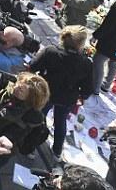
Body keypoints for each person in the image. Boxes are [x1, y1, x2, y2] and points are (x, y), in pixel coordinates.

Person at [29, 25, 94, 157]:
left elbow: (32, 66)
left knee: (38, 118)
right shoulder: (86, 63)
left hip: (46, 92)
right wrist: (82, 96)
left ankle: (30, 147)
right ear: (81, 44)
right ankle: (57, 151)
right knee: (60, 122)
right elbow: (88, 88)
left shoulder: (50, 51)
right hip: (67, 98)